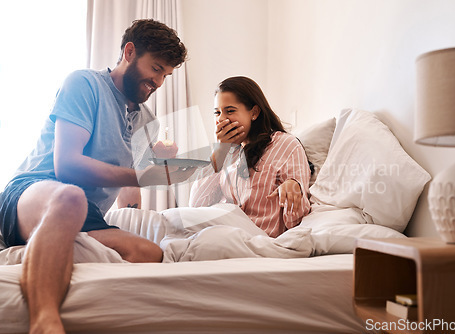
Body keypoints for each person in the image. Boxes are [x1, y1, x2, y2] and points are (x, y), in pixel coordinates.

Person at [0, 19, 195, 334]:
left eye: (165, 75)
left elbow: (129, 185)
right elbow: (67, 166)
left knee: (149, 252)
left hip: (85, 216)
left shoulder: (149, 122)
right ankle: (44, 321)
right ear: (129, 52)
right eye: (156, 68)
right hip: (34, 192)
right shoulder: (84, 84)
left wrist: (134, 209)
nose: (159, 82)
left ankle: (59, 263)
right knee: (70, 196)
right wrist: (145, 176)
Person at [189, 76, 311, 237]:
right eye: (217, 113)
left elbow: (296, 221)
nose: (221, 119)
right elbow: (196, 206)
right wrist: (219, 151)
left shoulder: (285, 144)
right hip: (224, 229)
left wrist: (294, 189)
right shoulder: (227, 154)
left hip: (257, 237)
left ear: (254, 113)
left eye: (230, 111)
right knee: (171, 222)